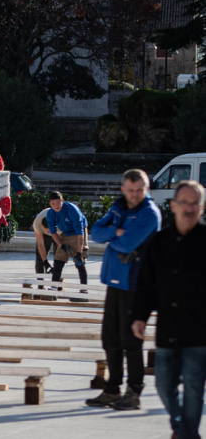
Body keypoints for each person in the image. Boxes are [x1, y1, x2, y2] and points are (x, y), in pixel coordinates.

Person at [133, 181, 206, 439]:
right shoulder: (159, 242)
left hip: (200, 331)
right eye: (184, 203)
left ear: (201, 208)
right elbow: (146, 285)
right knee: (164, 385)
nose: (189, 208)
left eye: (195, 203)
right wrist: (140, 316)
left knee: (194, 389)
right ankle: (180, 427)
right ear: (173, 206)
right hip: (168, 329)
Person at [88, 168, 163, 410]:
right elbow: (96, 232)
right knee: (110, 339)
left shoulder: (149, 214)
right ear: (123, 189)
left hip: (135, 284)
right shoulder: (119, 208)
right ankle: (112, 389)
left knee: (131, 341)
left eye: (139, 190)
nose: (134, 194)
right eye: (130, 190)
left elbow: (127, 243)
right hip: (114, 281)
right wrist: (115, 232)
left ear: (146, 189)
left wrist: (114, 235)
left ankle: (134, 392)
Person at [45, 191, 89, 289]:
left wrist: (79, 252)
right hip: (65, 233)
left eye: (58, 202)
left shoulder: (72, 210)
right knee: (58, 261)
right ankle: (54, 287)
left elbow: (80, 233)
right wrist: (60, 245)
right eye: (53, 203)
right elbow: (53, 233)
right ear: (49, 204)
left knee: (80, 262)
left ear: (62, 201)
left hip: (78, 233)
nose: (56, 206)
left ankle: (84, 289)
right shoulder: (50, 214)